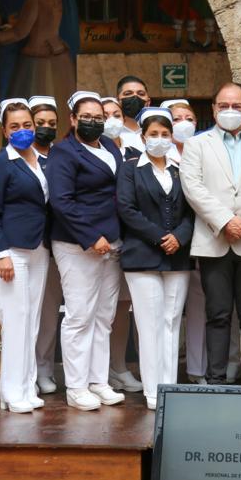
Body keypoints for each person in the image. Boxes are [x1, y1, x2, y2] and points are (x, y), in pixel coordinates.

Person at [179, 83, 241, 385]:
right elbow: (193, 188)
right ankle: (216, 380)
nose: (230, 111)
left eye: (237, 106)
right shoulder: (196, 145)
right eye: (224, 105)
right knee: (217, 314)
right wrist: (225, 221)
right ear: (213, 109)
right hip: (214, 241)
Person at [46, 91, 126, 411]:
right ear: (73, 119)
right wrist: (92, 237)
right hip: (77, 244)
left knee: (104, 316)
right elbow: (61, 201)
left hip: (112, 244)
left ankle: (98, 381)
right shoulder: (63, 152)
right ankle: (76, 387)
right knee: (79, 316)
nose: (93, 121)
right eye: (87, 117)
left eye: (98, 117)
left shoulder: (109, 146)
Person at [117, 108, 195, 409]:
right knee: (148, 324)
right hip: (142, 255)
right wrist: (161, 237)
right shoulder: (130, 169)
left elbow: (191, 211)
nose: (159, 139)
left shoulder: (180, 169)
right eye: (153, 134)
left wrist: (179, 237)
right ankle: (153, 390)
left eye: (165, 134)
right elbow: (127, 209)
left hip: (178, 256)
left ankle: (169, 386)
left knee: (172, 321)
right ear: (142, 137)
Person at [0, 99, 50, 413]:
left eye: (27, 125)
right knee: (15, 322)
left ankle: (27, 385)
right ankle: (11, 392)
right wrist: (2, 254)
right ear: (4, 131)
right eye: (15, 126)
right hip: (11, 252)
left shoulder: (42, 160)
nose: (22, 130)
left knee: (31, 322)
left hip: (38, 250)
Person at [99, 95, 143, 393]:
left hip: (133, 239)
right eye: (105, 115)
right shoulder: (91, 152)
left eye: (116, 114)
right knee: (104, 309)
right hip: (102, 239)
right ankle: (99, 371)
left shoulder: (133, 150)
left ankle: (119, 367)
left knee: (125, 306)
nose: (111, 120)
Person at [161, 99, 207, 384]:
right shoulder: (157, 155)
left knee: (199, 307)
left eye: (189, 118)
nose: (184, 123)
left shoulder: (203, 150)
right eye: (176, 119)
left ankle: (196, 369)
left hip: (200, 239)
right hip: (169, 243)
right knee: (167, 311)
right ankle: (162, 371)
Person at [28, 95, 63, 394]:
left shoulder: (61, 155)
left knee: (51, 314)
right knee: (32, 312)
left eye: (52, 123)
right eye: (40, 123)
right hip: (31, 245)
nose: (46, 128)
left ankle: (44, 369)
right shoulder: (19, 157)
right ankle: (27, 371)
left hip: (59, 244)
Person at [116, 75, 151, 154]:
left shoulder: (157, 131)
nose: (135, 96)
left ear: (148, 102)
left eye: (141, 94)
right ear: (118, 101)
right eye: (128, 93)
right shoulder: (111, 132)